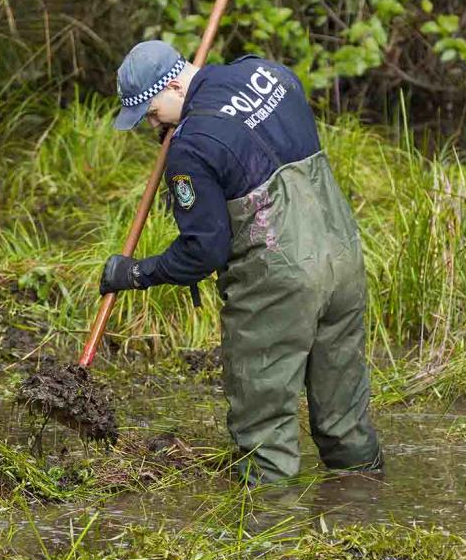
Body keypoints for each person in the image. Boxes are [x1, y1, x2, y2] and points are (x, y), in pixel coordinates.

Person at [99, 40, 383, 484]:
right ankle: (365, 507)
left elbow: (203, 251)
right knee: (344, 412)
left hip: (277, 281)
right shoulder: (270, 74)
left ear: (174, 84)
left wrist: (136, 273)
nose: (154, 125)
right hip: (342, 257)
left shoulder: (190, 149)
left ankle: (268, 540)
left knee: (263, 430)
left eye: (153, 113)